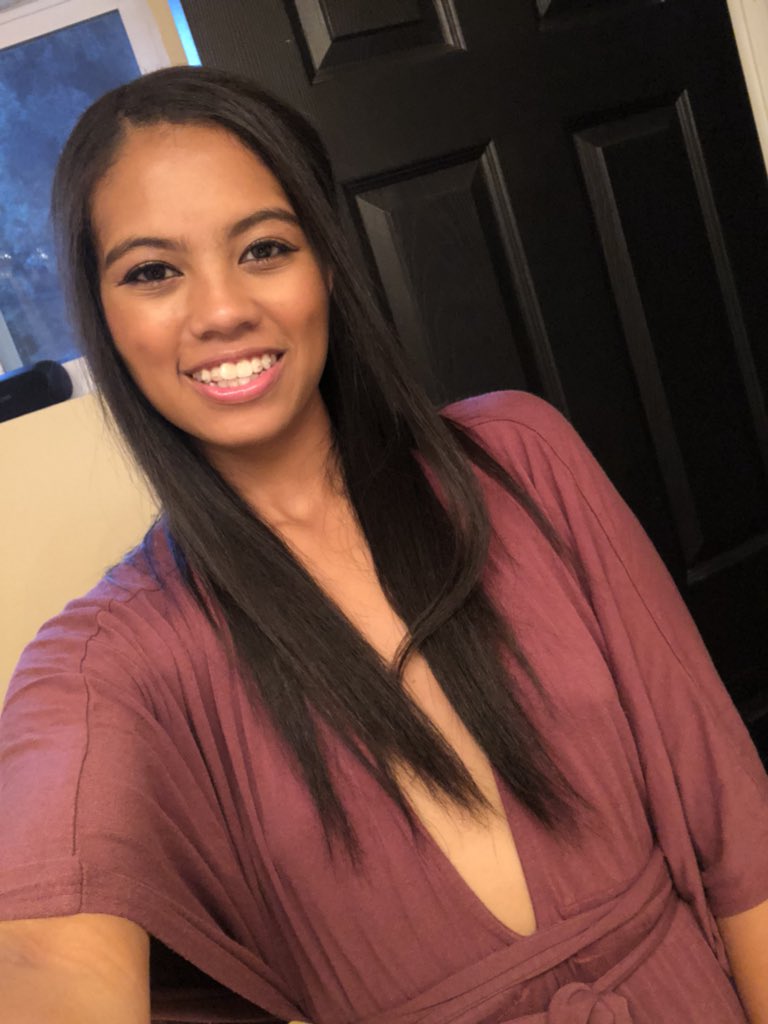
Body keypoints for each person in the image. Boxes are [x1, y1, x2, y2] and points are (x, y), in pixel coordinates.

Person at [0, 65, 766, 1024]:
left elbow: (738, 829)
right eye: (153, 272)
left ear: (326, 263)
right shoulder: (103, 662)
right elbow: (39, 952)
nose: (222, 310)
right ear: (103, 315)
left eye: (264, 248)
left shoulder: (521, 459)